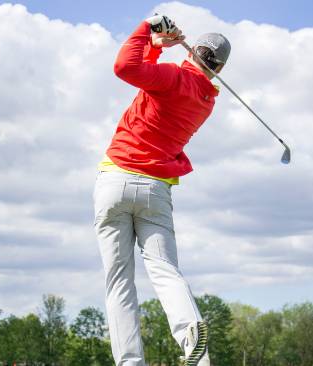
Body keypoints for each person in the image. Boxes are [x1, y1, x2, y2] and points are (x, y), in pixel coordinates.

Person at [93, 14, 231, 366]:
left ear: (193, 51)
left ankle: (129, 362)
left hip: (116, 181)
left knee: (119, 281)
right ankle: (192, 337)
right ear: (218, 68)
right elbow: (149, 81)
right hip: (155, 191)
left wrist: (146, 30)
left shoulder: (174, 77)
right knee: (165, 269)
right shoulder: (206, 100)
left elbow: (125, 67)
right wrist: (156, 49)